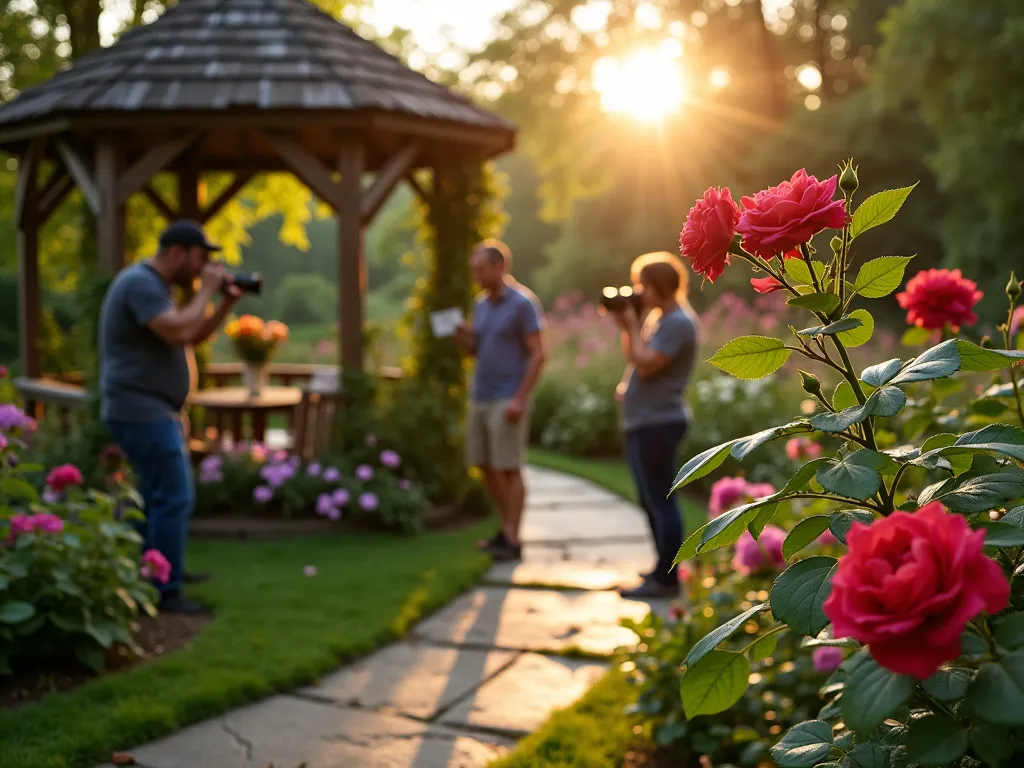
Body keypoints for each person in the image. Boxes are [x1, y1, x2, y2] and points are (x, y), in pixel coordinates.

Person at [99, 220, 243, 614]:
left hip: (152, 410)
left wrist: (225, 304)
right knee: (174, 496)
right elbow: (179, 330)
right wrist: (209, 290)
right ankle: (166, 590)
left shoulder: (155, 287)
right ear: (177, 252)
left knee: (153, 498)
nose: (203, 269)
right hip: (140, 409)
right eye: (201, 260)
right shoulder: (140, 283)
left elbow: (192, 334)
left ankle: (154, 573)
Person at [609, 252, 699, 598]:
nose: (637, 293)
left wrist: (631, 324)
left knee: (661, 501)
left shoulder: (678, 322)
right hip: (643, 421)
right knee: (649, 500)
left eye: (642, 286)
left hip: (659, 422)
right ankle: (661, 568)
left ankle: (667, 579)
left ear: (658, 286)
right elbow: (636, 358)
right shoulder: (661, 319)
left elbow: (646, 364)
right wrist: (627, 326)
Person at [454, 240, 546, 561]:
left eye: (480, 268)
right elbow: (477, 351)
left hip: (508, 397)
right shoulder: (479, 305)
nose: (475, 274)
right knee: (483, 463)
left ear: (498, 267)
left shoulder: (522, 304)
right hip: (481, 396)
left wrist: (520, 398)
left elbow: (538, 355)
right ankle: (506, 527)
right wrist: (464, 338)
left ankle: (512, 537)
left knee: (509, 467)